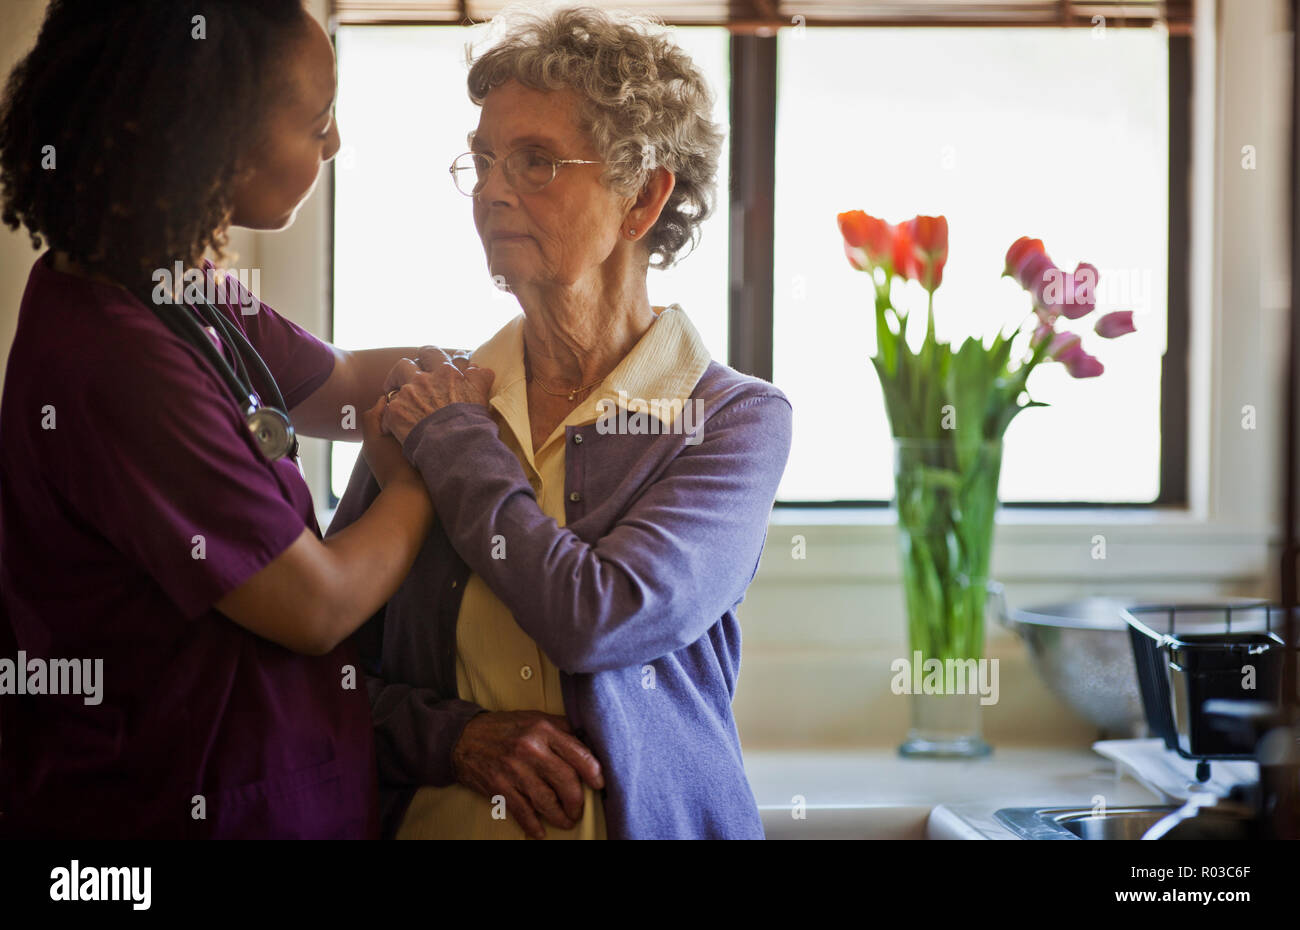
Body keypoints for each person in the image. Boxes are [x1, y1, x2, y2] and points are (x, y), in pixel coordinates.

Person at [0, 0, 478, 838]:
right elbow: (318, 604)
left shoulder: (171, 288)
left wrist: (496, 368)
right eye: (319, 121)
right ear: (214, 143)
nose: (333, 145)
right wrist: (422, 471)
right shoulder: (119, 362)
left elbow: (342, 383)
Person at [330, 5, 792, 840]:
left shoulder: (732, 422)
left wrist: (459, 445)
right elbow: (322, 677)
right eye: (483, 161)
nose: (493, 191)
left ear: (643, 198)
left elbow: (601, 618)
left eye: (536, 162)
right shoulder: (431, 399)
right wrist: (455, 738)